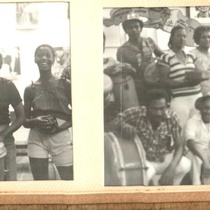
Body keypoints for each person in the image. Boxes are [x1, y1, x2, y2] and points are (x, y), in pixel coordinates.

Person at [111, 89, 191, 186]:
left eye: (162, 108)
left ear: (167, 105)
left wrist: (171, 169)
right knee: (147, 174)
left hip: (163, 159)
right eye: (154, 108)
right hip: (143, 161)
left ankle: (169, 189)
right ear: (146, 107)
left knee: (185, 165)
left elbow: (180, 146)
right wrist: (123, 126)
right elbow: (110, 124)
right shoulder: (136, 113)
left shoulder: (172, 117)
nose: (158, 112)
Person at [23, 44, 73, 180]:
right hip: (37, 138)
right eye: (40, 55)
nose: (44, 58)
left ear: (54, 59)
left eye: (48, 55)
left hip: (61, 137)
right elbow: (25, 122)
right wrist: (35, 121)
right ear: (35, 59)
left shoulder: (65, 84)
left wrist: (59, 128)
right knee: (40, 182)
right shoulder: (30, 89)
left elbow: (78, 116)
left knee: (69, 180)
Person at [159, 25, 206, 128]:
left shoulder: (191, 56)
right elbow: (164, 82)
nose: (182, 39)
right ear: (172, 37)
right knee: (181, 130)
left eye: (184, 36)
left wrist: (200, 76)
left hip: (197, 98)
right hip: (180, 100)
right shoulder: (166, 57)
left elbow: (201, 73)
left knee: (198, 130)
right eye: (178, 36)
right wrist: (185, 82)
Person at [116, 15, 165, 105]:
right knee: (142, 106)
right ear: (126, 31)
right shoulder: (122, 50)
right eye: (130, 28)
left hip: (154, 81)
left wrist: (159, 64)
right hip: (137, 85)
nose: (134, 30)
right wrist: (129, 69)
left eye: (136, 27)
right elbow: (121, 70)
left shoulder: (149, 41)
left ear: (141, 29)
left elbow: (164, 56)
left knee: (156, 105)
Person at [0, 53, 25, 181]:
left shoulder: (7, 85)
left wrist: (3, 135)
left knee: (10, 183)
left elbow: (22, 116)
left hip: (5, 137)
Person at [185, 95, 210, 185]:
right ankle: (196, 186)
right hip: (194, 151)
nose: (208, 112)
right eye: (206, 108)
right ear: (201, 108)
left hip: (208, 150)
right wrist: (205, 160)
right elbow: (190, 142)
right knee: (196, 159)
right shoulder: (192, 121)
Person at [190, 25, 210, 95]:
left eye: (209, 37)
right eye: (203, 37)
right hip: (199, 93)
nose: (207, 39)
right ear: (197, 39)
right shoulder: (192, 54)